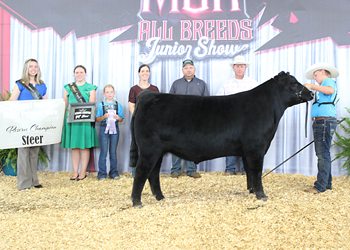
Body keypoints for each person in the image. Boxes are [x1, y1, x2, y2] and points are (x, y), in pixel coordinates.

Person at [217, 56, 259, 176]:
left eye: (241, 66)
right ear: (233, 68)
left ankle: (246, 169)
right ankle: (230, 170)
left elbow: (258, 102)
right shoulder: (227, 84)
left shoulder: (253, 83)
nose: (239, 68)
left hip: (248, 120)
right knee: (230, 143)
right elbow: (219, 100)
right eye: (237, 66)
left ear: (245, 68)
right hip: (230, 119)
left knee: (247, 144)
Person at [8, 59, 47, 190]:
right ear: (26, 68)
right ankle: (24, 183)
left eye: (35, 66)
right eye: (31, 66)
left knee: (34, 151)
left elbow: (46, 104)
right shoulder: (20, 84)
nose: (33, 69)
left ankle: (34, 180)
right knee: (23, 152)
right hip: (23, 122)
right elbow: (12, 100)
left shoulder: (42, 85)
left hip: (36, 123)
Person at [169, 59, 209, 179]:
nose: (188, 70)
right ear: (182, 70)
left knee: (194, 144)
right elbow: (170, 102)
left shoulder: (201, 84)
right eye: (186, 68)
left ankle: (192, 170)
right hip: (178, 120)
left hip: (196, 120)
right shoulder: (176, 84)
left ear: (194, 69)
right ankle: (175, 170)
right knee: (175, 144)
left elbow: (207, 102)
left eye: (190, 67)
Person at [304, 63, 339, 194]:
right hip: (323, 121)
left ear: (323, 72)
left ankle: (320, 186)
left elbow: (330, 90)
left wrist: (312, 87)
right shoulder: (322, 86)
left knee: (322, 155)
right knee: (324, 153)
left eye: (316, 75)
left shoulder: (328, 81)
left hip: (324, 121)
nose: (315, 78)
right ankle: (326, 184)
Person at [61, 65, 99, 181]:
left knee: (85, 147)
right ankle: (75, 172)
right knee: (74, 147)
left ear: (85, 73)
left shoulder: (91, 88)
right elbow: (65, 104)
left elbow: (91, 105)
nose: (79, 74)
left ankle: (83, 172)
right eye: (77, 72)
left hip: (85, 120)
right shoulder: (68, 87)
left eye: (81, 72)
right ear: (74, 74)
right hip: (72, 121)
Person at [128, 64, 159, 177]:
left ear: (149, 73)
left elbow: (158, 107)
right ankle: (136, 172)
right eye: (142, 71)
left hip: (152, 124)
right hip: (138, 123)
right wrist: (139, 117)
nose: (145, 73)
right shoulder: (134, 89)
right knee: (137, 146)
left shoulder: (154, 89)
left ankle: (150, 172)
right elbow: (131, 105)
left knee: (152, 147)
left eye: (147, 71)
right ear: (139, 73)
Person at [95, 85, 124, 180]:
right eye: (107, 92)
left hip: (115, 128)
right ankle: (102, 174)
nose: (109, 94)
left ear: (114, 93)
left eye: (111, 92)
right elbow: (97, 119)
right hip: (104, 128)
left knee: (113, 151)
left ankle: (114, 173)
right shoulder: (101, 105)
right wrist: (103, 117)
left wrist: (118, 118)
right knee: (103, 152)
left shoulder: (118, 105)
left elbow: (121, 119)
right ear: (104, 94)